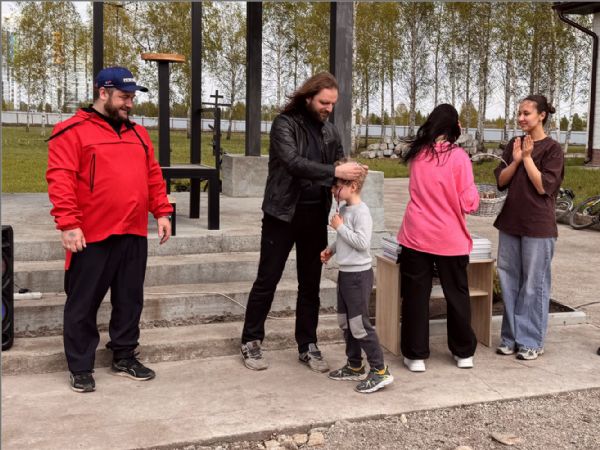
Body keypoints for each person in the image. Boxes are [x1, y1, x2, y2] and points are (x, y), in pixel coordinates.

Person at [46, 67, 173, 393]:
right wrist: (69, 223)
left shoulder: (138, 134)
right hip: (92, 234)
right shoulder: (71, 131)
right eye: (124, 97)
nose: (129, 104)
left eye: (131, 98)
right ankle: (80, 366)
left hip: (132, 231)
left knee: (130, 300)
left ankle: (125, 355)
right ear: (103, 93)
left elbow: (152, 175)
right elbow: (60, 179)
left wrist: (161, 211)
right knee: (83, 302)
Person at [240, 72, 367, 372]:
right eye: (324, 102)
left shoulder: (330, 131)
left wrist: (350, 172)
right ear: (308, 97)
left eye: (332, 104)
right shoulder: (284, 124)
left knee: (310, 284)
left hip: (314, 216)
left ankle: (308, 343)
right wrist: (335, 172)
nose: (328, 108)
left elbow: (338, 165)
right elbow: (293, 163)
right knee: (267, 279)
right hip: (281, 215)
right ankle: (251, 340)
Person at [397, 104, 479, 373]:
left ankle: (415, 356)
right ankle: (463, 353)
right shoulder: (459, 157)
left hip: (416, 234)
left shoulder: (417, 154)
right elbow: (469, 203)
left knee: (415, 295)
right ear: (455, 127)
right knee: (456, 295)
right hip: (449, 237)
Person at [494, 95, 563, 361]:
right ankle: (510, 338)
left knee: (534, 285)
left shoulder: (553, 149)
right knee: (509, 282)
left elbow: (543, 186)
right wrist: (515, 160)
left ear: (541, 115)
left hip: (538, 227)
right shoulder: (514, 142)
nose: (521, 118)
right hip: (510, 222)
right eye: (519, 113)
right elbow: (501, 181)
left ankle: (531, 340)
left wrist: (527, 158)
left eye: (526, 113)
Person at [321, 160, 393, 393]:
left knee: (359, 324)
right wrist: (332, 249)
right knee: (345, 322)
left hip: (358, 276)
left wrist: (340, 228)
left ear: (352, 186)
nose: (333, 190)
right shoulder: (344, 210)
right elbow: (345, 239)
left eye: (337, 186)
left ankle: (379, 370)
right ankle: (354, 365)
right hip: (345, 274)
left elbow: (362, 243)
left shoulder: (362, 212)